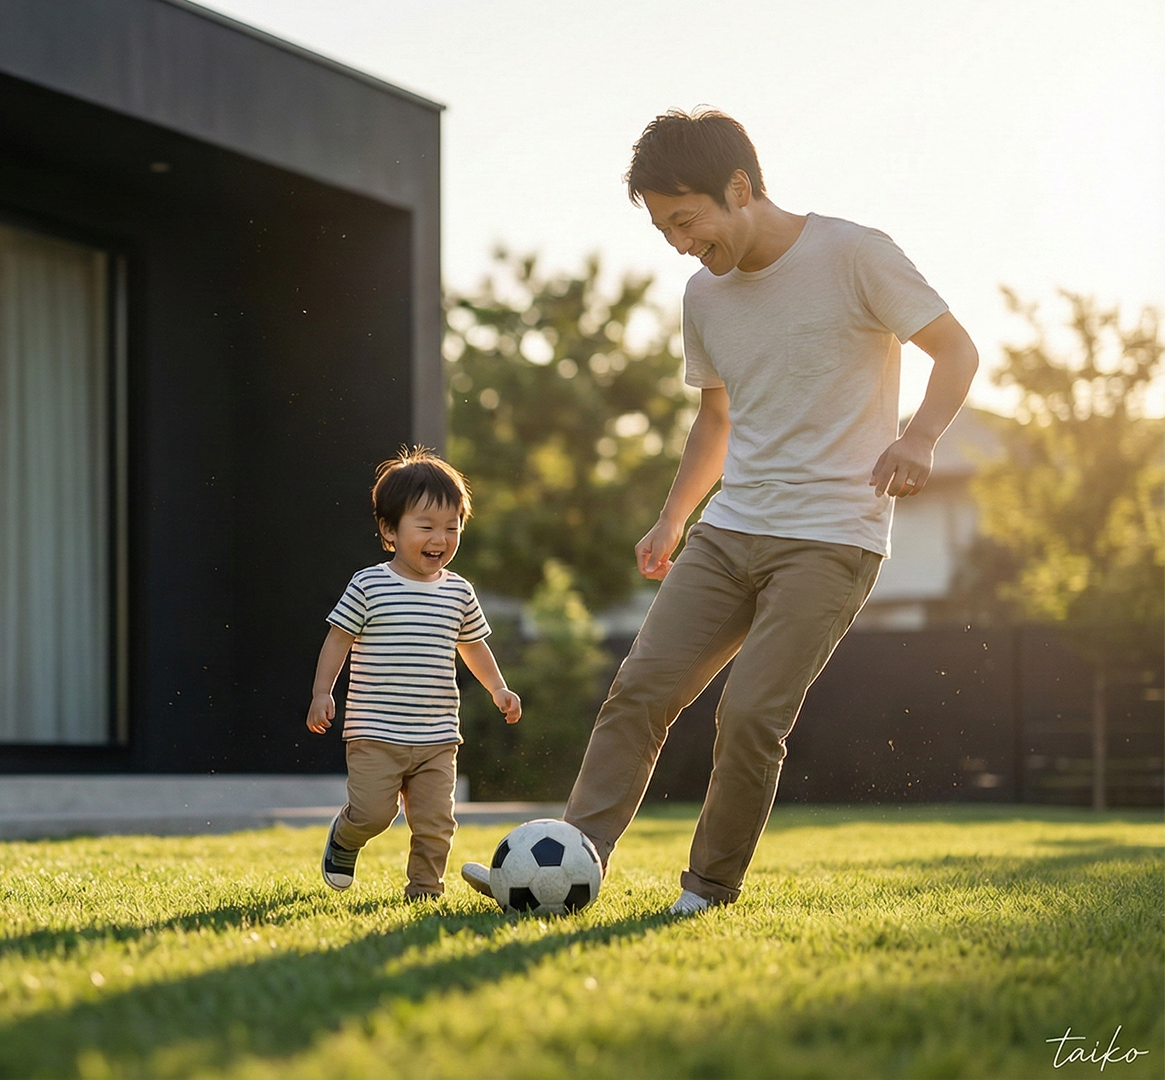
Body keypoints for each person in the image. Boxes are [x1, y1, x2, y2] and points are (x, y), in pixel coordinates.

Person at [461, 108, 979, 915]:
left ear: (738, 188)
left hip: (831, 536)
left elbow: (957, 349)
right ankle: (566, 864)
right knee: (639, 690)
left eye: (685, 220)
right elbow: (716, 418)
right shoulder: (704, 295)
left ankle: (707, 890)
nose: (679, 243)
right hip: (731, 527)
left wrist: (920, 437)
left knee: (750, 714)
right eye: (664, 229)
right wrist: (673, 517)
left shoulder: (855, 254)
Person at [308, 448, 522, 899]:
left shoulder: (459, 592)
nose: (440, 538)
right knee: (373, 814)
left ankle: (425, 890)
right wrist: (322, 692)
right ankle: (346, 836)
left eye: (452, 527)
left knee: (436, 822)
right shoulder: (369, 585)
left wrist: (498, 688)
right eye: (426, 527)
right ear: (389, 530)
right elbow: (338, 640)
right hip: (375, 730)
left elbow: (473, 646)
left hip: (437, 735)